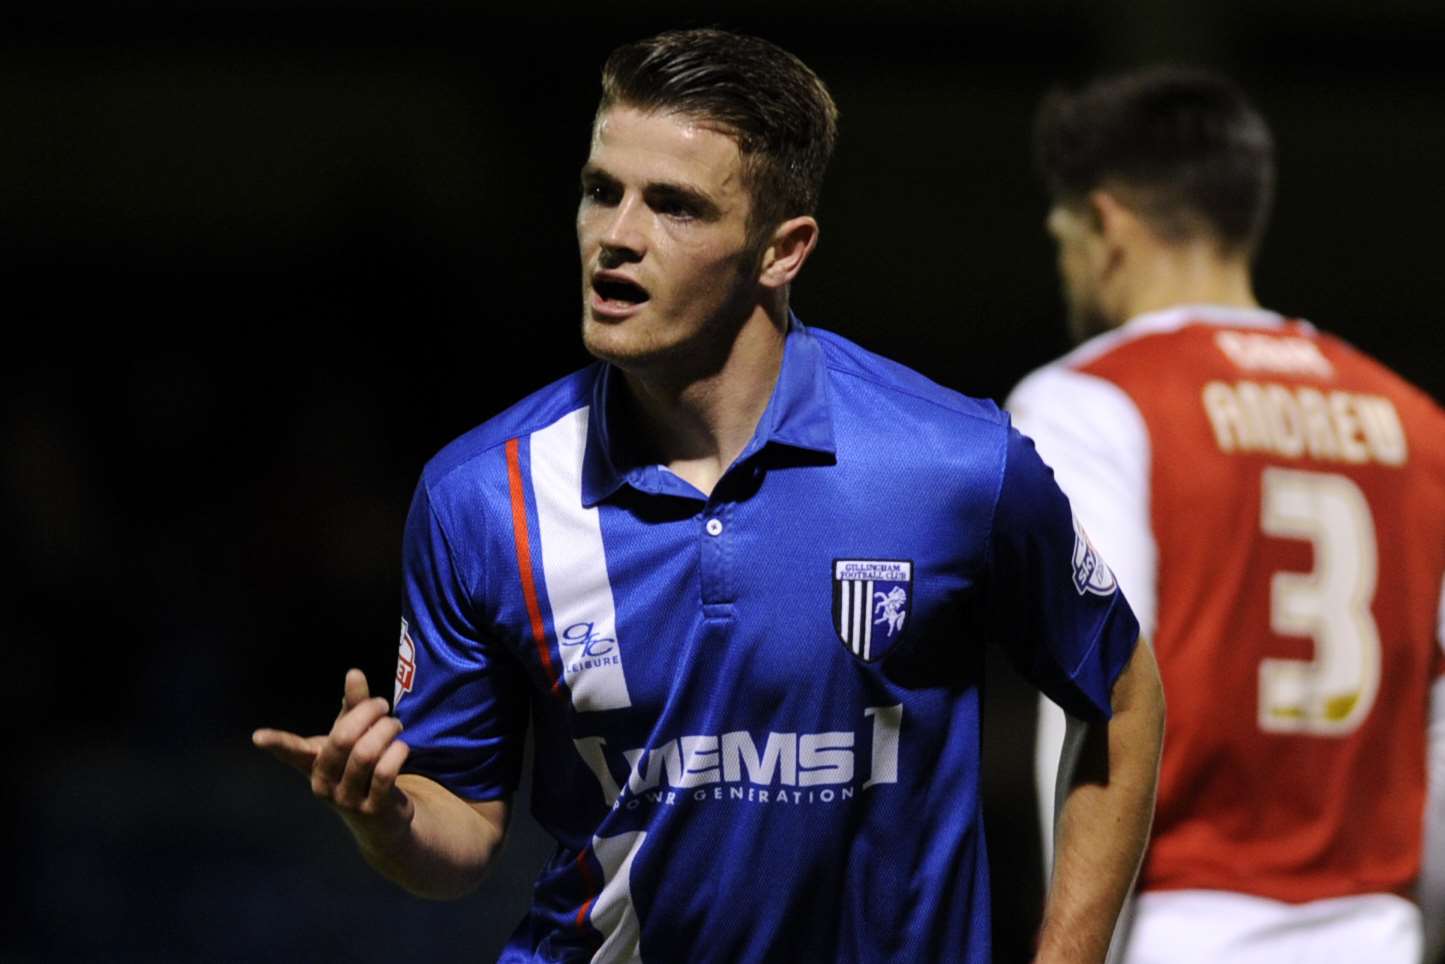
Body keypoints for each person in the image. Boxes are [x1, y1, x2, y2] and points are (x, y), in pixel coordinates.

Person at [254, 29, 1164, 962]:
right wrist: (387, 819)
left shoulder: (954, 463)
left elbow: (1126, 700)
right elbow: (462, 837)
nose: (617, 236)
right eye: (601, 190)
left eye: (676, 206)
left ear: (782, 250)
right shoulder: (481, 497)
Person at [1009, 66, 1445, 963]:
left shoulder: (1091, 402)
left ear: (1103, 223)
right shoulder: (1415, 423)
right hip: (1379, 929)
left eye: (1062, 236)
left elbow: (1098, 695)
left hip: (1175, 929)